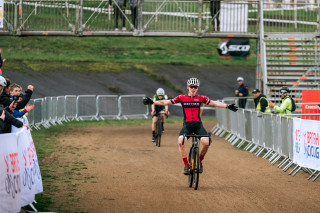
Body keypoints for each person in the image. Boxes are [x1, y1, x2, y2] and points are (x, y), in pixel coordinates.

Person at [143, 77, 238, 175]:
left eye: (195, 87)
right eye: (192, 86)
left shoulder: (201, 98)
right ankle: (186, 165)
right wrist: (152, 102)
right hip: (187, 126)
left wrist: (227, 106)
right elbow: (166, 102)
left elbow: (214, 103)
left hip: (198, 125)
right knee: (180, 142)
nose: (193, 88)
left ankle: (199, 162)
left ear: (197, 88)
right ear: (188, 87)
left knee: (206, 142)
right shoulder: (181, 97)